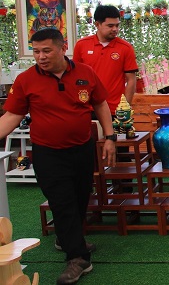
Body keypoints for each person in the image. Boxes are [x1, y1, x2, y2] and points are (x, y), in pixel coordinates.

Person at [0, 28, 116, 284]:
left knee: (80, 198)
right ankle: (79, 258)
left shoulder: (86, 73)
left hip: (82, 148)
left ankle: (67, 239)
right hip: (48, 153)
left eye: (46, 51)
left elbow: (100, 104)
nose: (40, 57)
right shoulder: (26, 80)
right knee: (62, 201)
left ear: (63, 48)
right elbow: (12, 116)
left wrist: (110, 137)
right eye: (36, 51)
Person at [73, 5, 139, 115]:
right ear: (97, 25)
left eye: (117, 25)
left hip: (115, 110)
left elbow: (131, 80)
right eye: (110, 26)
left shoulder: (125, 48)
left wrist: (125, 108)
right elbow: (75, 77)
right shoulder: (81, 45)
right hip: (88, 108)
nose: (115, 29)